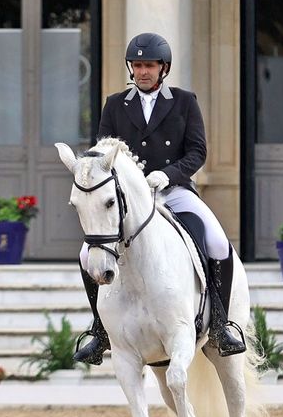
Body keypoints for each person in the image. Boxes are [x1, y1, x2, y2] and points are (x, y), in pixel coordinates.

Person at [73, 32, 248, 364]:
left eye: (149, 65)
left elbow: (198, 152)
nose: (142, 72)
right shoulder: (114, 104)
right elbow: (102, 154)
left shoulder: (184, 101)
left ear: (163, 68)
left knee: (217, 242)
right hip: (130, 201)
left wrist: (168, 174)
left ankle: (221, 325)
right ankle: (99, 331)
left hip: (174, 192)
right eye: (137, 65)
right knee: (87, 253)